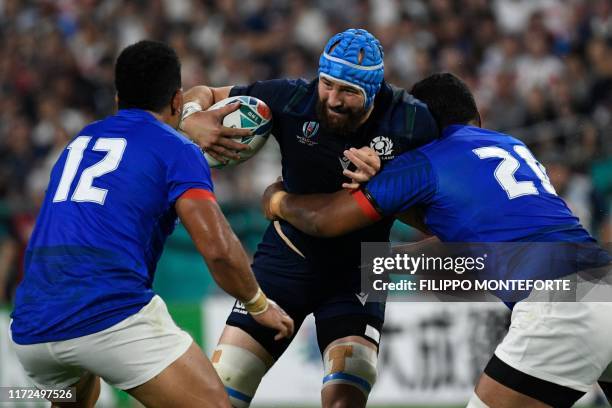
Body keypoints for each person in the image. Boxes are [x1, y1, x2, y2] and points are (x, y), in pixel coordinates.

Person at [261, 72, 612, 408]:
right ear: (476, 116)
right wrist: (382, 262)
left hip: (560, 305)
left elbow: (326, 220)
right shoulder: (511, 145)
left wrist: (277, 200)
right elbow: (465, 236)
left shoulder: (423, 161)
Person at [9, 40, 294, 408]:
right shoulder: (178, 150)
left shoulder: (80, 141)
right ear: (177, 101)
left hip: (31, 328)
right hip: (108, 312)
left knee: (79, 395)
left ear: (117, 99)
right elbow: (218, 250)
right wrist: (258, 305)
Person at [180, 28, 439, 408]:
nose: (333, 99)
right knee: (224, 386)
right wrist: (192, 116)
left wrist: (390, 183)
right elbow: (203, 94)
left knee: (346, 396)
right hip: (286, 260)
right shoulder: (292, 97)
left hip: (359, 272)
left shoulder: (412, 122)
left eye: (348, 92)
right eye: (327, 84)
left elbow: (436, 208)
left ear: (373, 92)